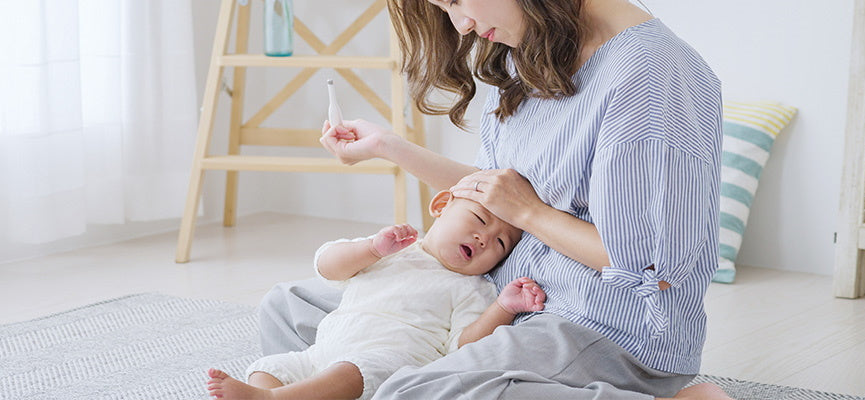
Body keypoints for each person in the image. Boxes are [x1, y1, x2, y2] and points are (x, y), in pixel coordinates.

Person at [262, 0, 733, 398]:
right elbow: (496, 193)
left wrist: (530, 213)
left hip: (596, 324)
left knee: (410, 391)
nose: (460, 24)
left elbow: (653, 266)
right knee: (291, 306)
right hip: (493, 294)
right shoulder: (530, 50)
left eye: (457, 1)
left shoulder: (651, 76)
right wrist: (387, 146)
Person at [207, 190, 546, 400]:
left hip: (391, 363)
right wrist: (370, 248)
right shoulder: (393, 249)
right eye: (478, 219)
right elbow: (327, 265)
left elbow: (464, 346)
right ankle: (270, 390)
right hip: (325, 350)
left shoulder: (471, 288)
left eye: (501, 243)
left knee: (354, 371)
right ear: (442, 205)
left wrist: (503, 307)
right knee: (271, 365)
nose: (484, 238)